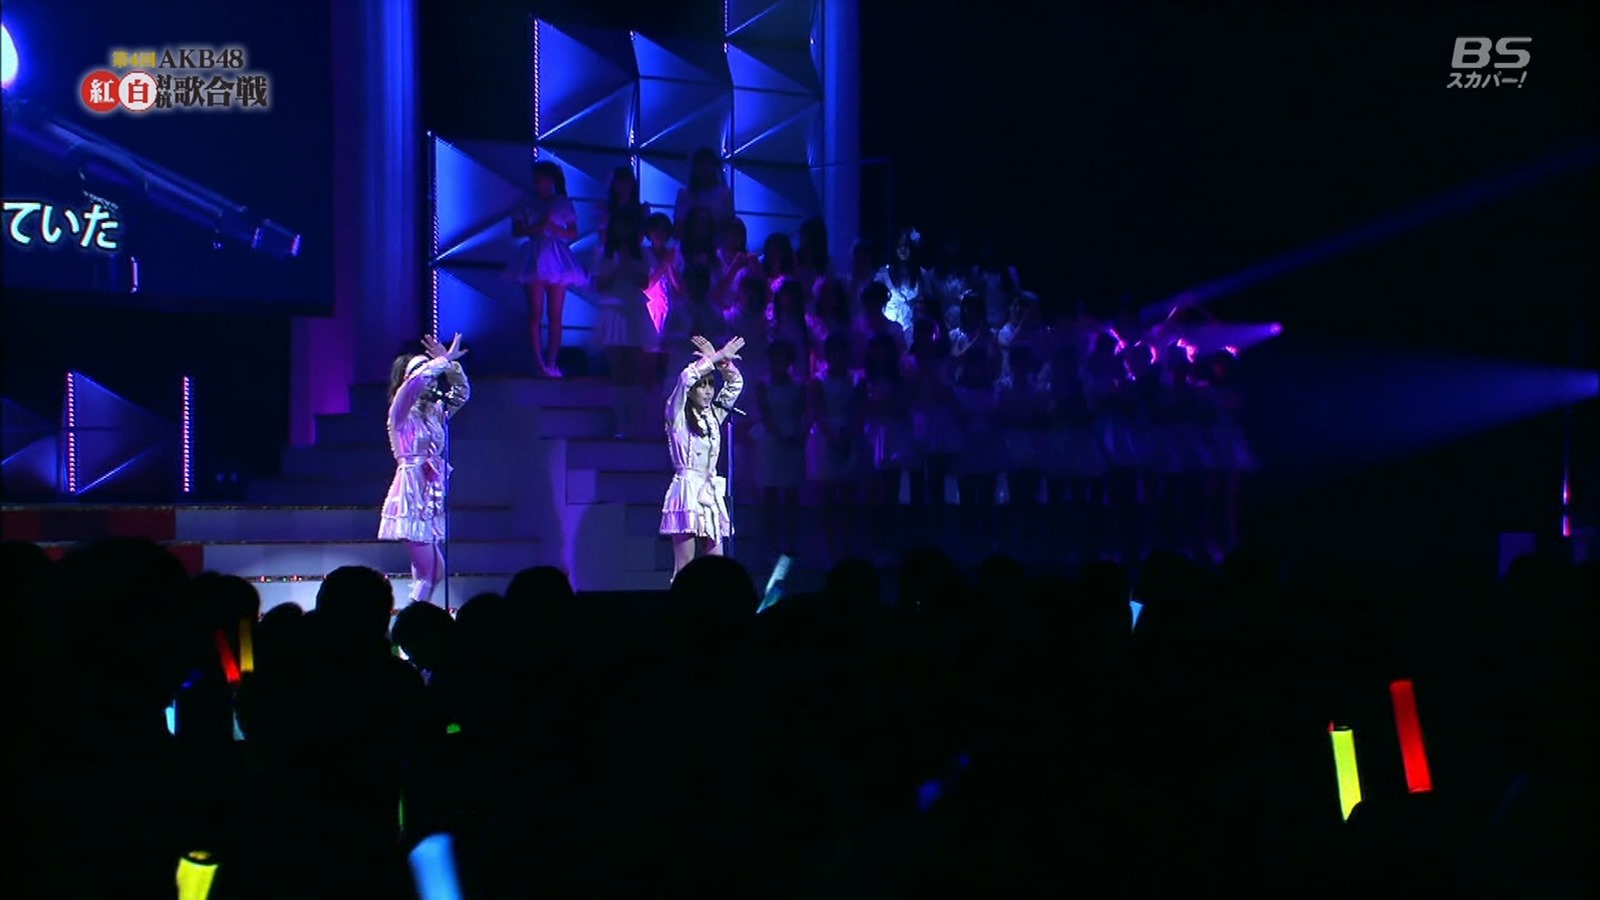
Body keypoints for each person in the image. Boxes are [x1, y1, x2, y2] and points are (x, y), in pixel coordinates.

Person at [379, 334, 470, 605]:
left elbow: (462, 393)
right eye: (426, 375)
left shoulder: (435, 412)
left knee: (436, 571)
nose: (431, 381)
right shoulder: (400, 411)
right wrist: (441, 360)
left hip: (429, 490)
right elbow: (416, 382)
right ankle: (413, 622)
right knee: (427, 573)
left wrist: (450, 365)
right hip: (411, 491)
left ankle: (419, 617)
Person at [660, 335, 746, 581]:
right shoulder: (676, 414)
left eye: (711, 385)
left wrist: (724, 363)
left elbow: (735, 385)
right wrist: (714, 357)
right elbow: (685, 379)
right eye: (703, 386)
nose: (708, 391)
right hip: (688, 490)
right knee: (685, 567)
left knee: (717, 568)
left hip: (710, 492)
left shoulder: (712, 416)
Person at [505, 160, 584, 377]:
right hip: (534, 255)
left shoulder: (563, 203)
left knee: (555, 314)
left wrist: (553, 227)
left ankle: (552, 362)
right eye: (539, 179)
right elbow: (516, 231)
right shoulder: (526, 202)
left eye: (546, 179)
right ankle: (538, 362)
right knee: (535, 313)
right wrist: (536, 227)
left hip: (556, 256)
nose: (542, 183)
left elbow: (573, 233)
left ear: (552, 180)